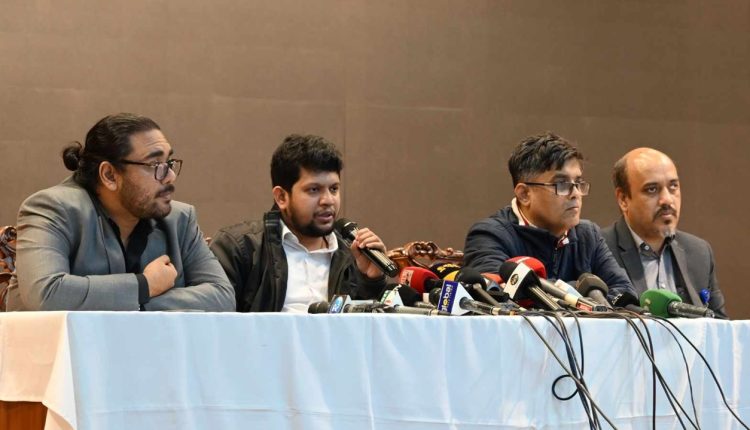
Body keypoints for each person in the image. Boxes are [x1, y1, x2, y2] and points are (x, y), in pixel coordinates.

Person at [5, 113, 235, 312]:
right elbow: (47, 293)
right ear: (109, 175)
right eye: (155, 165)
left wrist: (140, 302)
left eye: (170, 162)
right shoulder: (52, 208)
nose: (170, 176)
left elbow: (222, 297)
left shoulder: (179, 219)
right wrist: (145, 285)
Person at [210, 134, 388, 312]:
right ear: (281, 197)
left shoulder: (353, 256)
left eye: (334, 189)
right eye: (314, 190)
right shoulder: (240, 248)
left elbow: (364, 327)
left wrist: (371, 280)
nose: (328, 200)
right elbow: (215, 320)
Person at [464, 132, 634, 299]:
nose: (575, 193)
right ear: (524, 194)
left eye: (578, 183)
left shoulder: (588, 235)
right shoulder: (489, 235)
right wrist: (587, 291)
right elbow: (496, 295)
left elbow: (625, 292)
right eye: (561, 184)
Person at [602, 148, 727, 318]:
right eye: (651, 189)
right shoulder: (600, 251)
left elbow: (720, 327)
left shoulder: (699, 252)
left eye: (673, 186)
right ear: (623, 199)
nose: (667, 200)